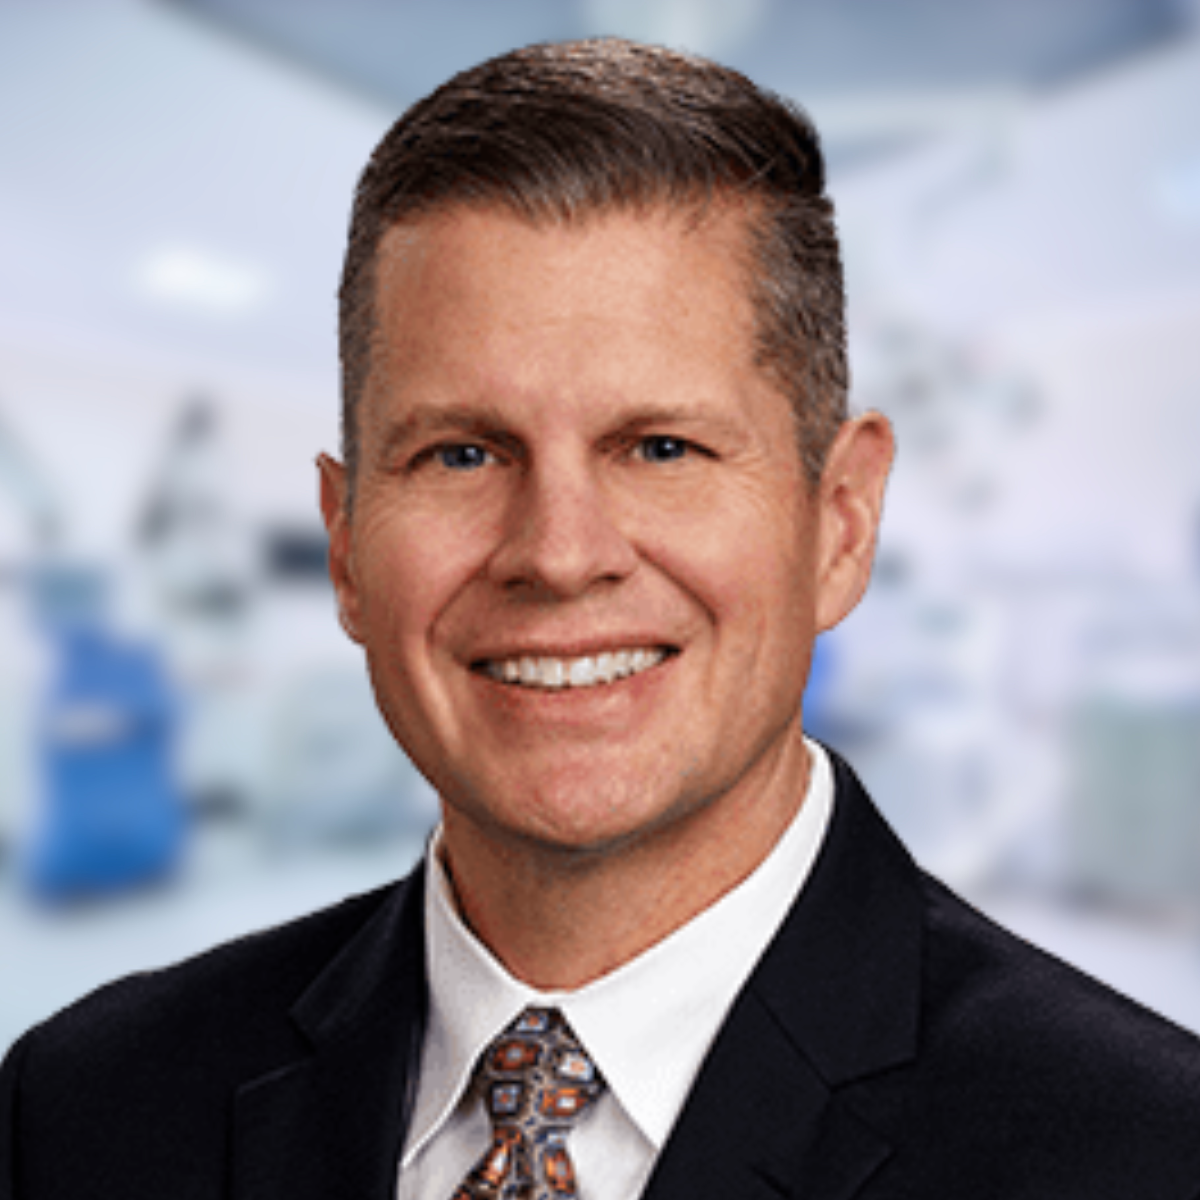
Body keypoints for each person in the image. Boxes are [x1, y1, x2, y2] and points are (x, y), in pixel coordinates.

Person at [3, 36, 1200, 1200]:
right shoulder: (83, 1113)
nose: (559, 555)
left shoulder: (1145, 1156)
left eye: (661, 447)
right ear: (346, 541)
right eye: (462, 453)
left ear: (840, 523)